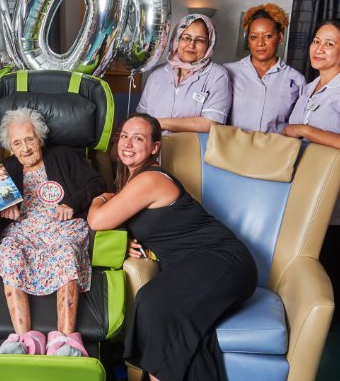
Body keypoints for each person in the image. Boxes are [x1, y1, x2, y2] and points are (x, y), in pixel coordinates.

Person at [87, 113, 257, 381]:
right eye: (125, 136)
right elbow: (164, 227)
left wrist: (101, 197)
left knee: (154, 301)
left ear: (155, 147)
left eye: (139, 138)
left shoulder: (151, 179)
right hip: (192, 265)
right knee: (171, 320)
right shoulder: (132, 183)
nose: (128, 143)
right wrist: (133, 241)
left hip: (223, 260)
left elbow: (97, 220)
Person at [284, 18, 340, 325]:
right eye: (316, 41)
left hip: (339, 194)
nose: (319, 49)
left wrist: (304, 129)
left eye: (329, 44)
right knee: (310, 257)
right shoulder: (310, 88)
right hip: (307, 189)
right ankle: (316, 308)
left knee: (326, 257)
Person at [0, 108, 106, 356]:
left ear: (40, 138)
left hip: (63, 227)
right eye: (17, 143)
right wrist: (3, 208)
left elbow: (97, 183)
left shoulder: (63, 156)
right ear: (10, 147)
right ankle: (22, 341)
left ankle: (65, 342)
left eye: (29, 139)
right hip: (24, 229)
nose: (25, 148)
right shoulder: (6, 168)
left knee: (66, 251)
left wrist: (73, 203)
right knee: (9, 250)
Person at [136, 14, 231, 133]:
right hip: (153, 148)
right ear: (176, 39)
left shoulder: (218, 75)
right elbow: (141, 115)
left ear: (209, 43)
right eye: (186, 37)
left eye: (200, 40)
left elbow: (211, 123)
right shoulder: (157, 74)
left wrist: (158, 123)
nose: (191, 45)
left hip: (193, 150)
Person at [225, 3, 306, 133]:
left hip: (275, 150)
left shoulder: (296, 80)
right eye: (254, 37)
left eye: (268, 36)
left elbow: (297, 127)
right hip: (232, 148)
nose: (260, 43)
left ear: (280, 37)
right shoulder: (228, 72)